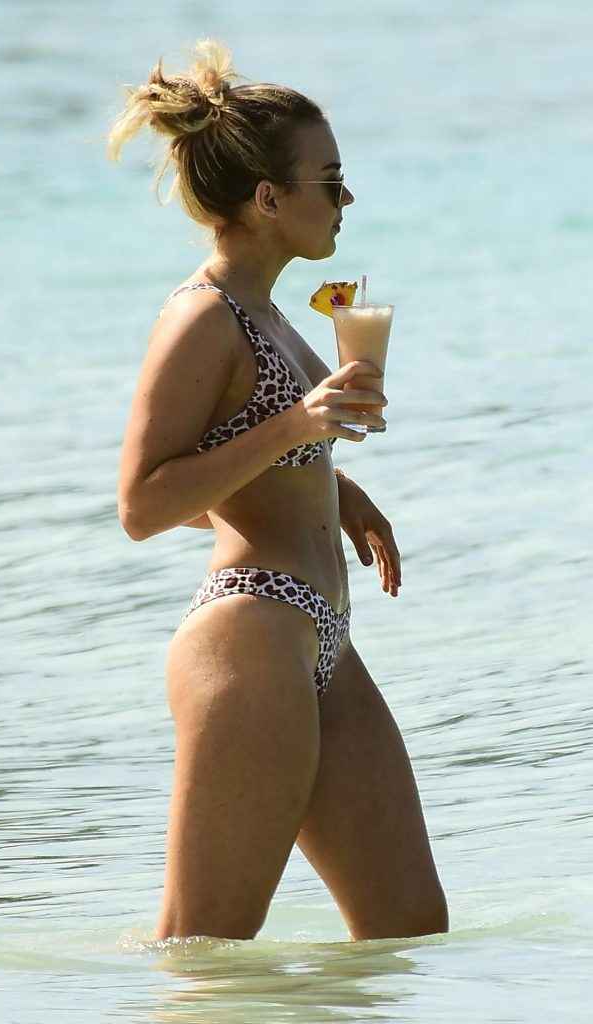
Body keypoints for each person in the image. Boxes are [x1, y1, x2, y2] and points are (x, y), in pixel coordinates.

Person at [107, 39, 448, 942]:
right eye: (328, 182)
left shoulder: (270, 315)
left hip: (322, 637)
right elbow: (142, 505)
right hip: (250, 634)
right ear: (267, 199)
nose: (345, 199)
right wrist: (297, 429)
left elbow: (234, 471)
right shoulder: (201, 316)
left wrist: (334, 489)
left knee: (408, 929)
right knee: (205, 949)